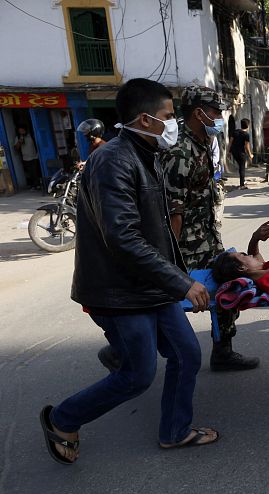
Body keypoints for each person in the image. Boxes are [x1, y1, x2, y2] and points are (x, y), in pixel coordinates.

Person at [38, 78, 216, 465]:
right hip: (120, 290)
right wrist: (181, 282)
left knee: (186, 354)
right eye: (169, 116)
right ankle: (63, 419)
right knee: (138, 376)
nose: (174, 124)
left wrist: (175, 275)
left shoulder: (147, 153)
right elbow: (123, 239)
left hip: (151, 284)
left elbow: (156, 228)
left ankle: (174, 430)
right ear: (146, 119)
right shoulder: (113, 161)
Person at [162, 85, 259, 372]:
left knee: (229, 283)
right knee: (176, 298)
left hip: (205, 237)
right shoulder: (180, 151)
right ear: (198, 113)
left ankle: (223, 350)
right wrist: (172, 262)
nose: (220, 117)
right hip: (187, 245)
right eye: (216, 112)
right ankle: (125, 348)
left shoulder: (200, 141)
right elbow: (173, 211)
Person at [230, 118, 254, 189]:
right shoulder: (246, 134)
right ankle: (242, 185)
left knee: (241, 167)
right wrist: (250, 155)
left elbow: (230, 142)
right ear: (248, 125)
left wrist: (228, 152)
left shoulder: (235, 132)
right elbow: (247, 146)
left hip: (234, 152)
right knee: (242, 168)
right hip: (241, 153)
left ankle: (242, 182)